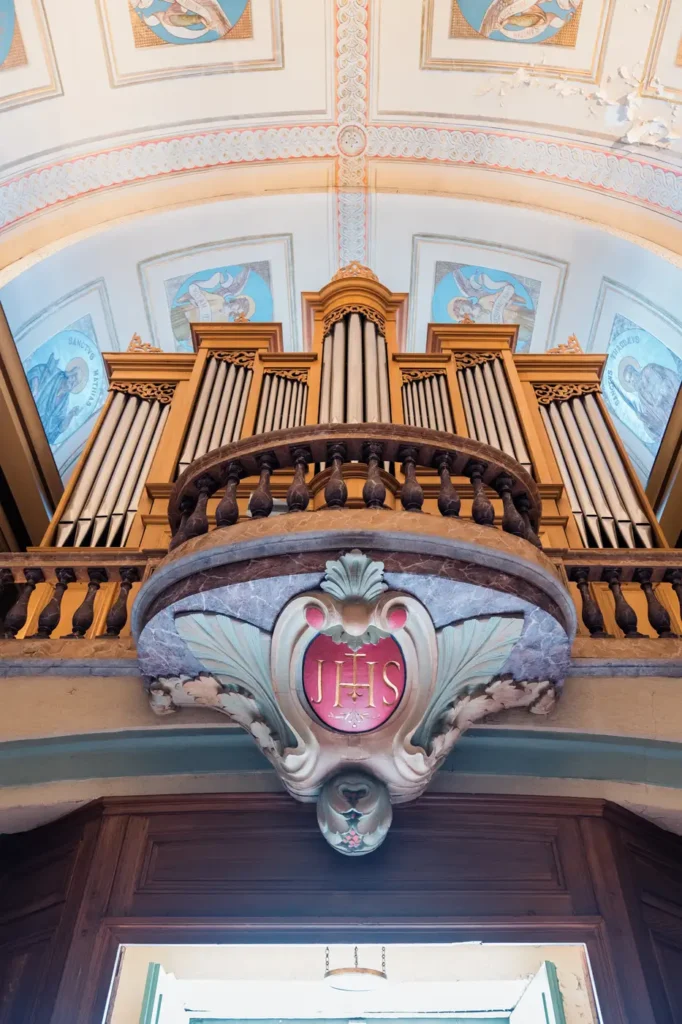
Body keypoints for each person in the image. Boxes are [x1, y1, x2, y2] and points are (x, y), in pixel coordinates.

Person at [26, 354, 87, 444]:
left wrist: (71, 415)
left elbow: (59, 428)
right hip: (27, 410)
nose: (73, 382)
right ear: (69, 373)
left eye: (76, 382)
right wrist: (35, 386)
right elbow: (38, 370)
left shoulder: (64, 402)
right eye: (74, 377)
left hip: (35, 430)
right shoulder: (54, 373)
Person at [618, 356, 681, 441]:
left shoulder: (649, 370)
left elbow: (670, 376)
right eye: (629, 382)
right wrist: (645, 419)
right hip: (671, 417)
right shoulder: (641, 396)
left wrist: (664, 390)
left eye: (631, 377)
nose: (632, 382)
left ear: (635, 371)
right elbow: (656, 419)